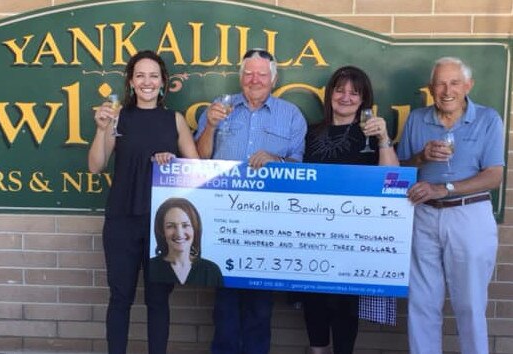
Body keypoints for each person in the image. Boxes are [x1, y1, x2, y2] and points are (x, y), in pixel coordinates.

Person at [195, 48, 307, 354]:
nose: (254, 79)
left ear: (273, 78)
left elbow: (301, 168)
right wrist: (210, 126)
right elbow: (199, 158)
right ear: (240, 77)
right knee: (225, 306)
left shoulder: (291, 115)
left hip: (268, 226)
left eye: (261, 73)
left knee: (260, 308)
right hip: (223, 222)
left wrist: (276, 159)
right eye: (248, 73)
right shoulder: (218, 108)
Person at [88, 50, 199, 354]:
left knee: (158, 300)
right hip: (122, 220)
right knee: (120, 297)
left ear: (163, 82)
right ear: (131, 81)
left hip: (163, 227)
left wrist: (174, 161)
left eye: (153, 75)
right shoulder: (117, 117)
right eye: (140, 75)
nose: (147, 82)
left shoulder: (174, 120)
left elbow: (198, 171)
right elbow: (96, 166)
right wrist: (100, 130)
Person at [397, 57, 504, 354]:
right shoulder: (418, 119)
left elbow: (494, 176)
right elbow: (401, 168)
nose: (447, 90)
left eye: (454, 83)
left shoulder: (488, 119)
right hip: (424, 216)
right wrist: (420, 157)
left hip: (469, 216)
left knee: (470, 304)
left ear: (468, 85)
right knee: (422, 302)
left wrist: (444, 189)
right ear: (431, 88)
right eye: (441, 83)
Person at [301, 65, 399, 354]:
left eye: (354, 93)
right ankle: (317, 350)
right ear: (329, 94)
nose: (345, 97)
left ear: (364, 99)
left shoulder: (372, 134)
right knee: (314, 298)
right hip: (312, 232)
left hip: (354, 234)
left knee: (345, 302)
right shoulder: (310, 132)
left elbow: (390, 180)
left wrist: (384, 139)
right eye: (340, 90)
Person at [149, 197, 224, 286]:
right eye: (171, 226)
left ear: (195, 229)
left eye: (185, 225)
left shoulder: (211, 271)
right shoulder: (150, 267)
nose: (179, 234)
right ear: (161, 230)